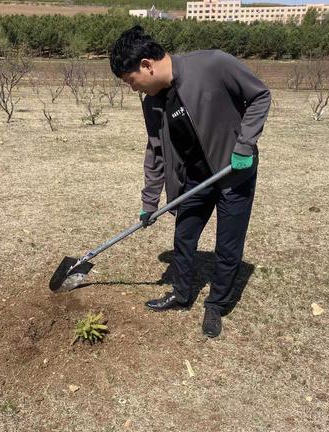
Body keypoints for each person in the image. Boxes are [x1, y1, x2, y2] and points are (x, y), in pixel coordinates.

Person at [110, 26, 271, 338]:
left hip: (233, 173)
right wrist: (148, 202)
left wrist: (244, 144)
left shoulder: (213, 64)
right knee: (184, 238)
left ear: (147, 65)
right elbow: (156, 151)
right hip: (195, 179)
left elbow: (260, 95)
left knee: (228, 245)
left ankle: (216, 303)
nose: (134, 89)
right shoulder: (153, 103)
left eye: (131, 81)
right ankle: (181, 294)